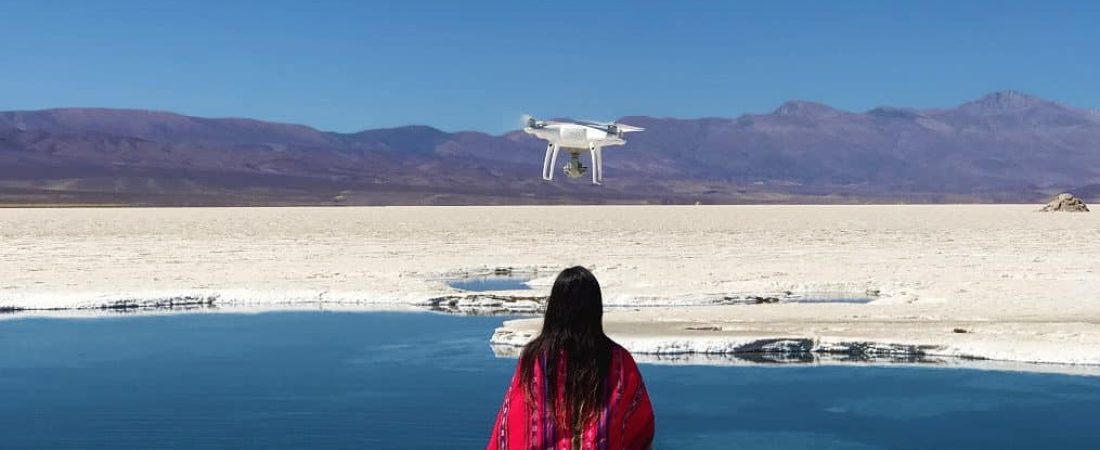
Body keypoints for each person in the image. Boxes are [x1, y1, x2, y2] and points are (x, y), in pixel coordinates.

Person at [487, 266, 655, 450]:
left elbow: (513, 426)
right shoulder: (619, 362)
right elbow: (640, 429)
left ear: (555, 308)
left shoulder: (534, 358)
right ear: (595, 309)